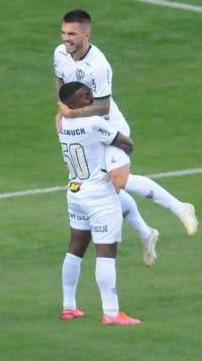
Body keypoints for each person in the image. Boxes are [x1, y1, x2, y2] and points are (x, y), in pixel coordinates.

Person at [54, 9, 198, 268]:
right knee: (105, 185)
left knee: (117, 179)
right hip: (82, 128)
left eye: (72, 34)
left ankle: (180, 207)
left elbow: (104, 107)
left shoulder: (98, 65)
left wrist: (72, 115)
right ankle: (146, 233)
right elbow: (61, 86)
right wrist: (62, 120)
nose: (67, 38)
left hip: (108, 125)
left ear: (87, 34)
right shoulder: (59, 54)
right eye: (64, 32)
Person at [57, 81, 141, 325]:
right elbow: (126, 144)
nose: (91, 98)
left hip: (75, 189)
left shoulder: (62, 124)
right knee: (106, 251)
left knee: (75, 247)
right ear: (73, 103)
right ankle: (111, 312)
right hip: (99, 195)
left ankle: (69, 306)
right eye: (85, 96)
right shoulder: (94, 123)